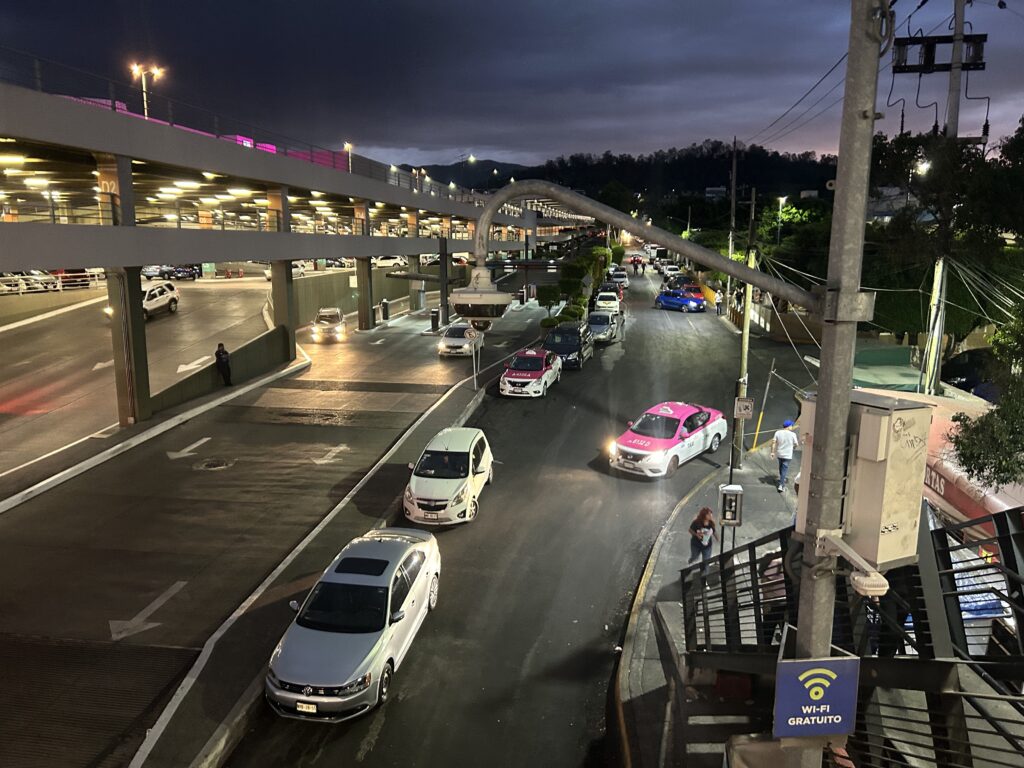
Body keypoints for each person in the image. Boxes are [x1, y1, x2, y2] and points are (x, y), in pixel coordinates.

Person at [759, 554, 787, 648]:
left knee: (786, 632)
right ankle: (764, 654)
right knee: (767, 632)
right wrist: (767, 602)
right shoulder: (777, 563)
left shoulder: (787, 562)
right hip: (774, 604)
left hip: (785, 603)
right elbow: (765, 582)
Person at [770, 419, 800, 492]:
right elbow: (796, 444)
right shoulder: (793, 434)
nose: (792, 427)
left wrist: (772, 452)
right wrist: (794, 447)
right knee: (784, 469)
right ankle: (781, 485)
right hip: (788, 455)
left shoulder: (778, 432)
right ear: (789, 426)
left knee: (781, 468)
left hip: (780, 454)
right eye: (791, 426)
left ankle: (781, 480)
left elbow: (773, 443)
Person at [687, 507, 717, 577]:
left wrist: (717, 538)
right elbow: (690, 530)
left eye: (711, 514)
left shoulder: (711, 523)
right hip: (696, 545)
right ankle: (690, 562)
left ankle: (704, 577)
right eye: (709, 514)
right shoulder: (696, 522)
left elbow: (714, 531)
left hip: (707, 546)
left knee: (706, 562)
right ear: (704, 515)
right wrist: (696, 535)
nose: (711, 516)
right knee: (695, 557)